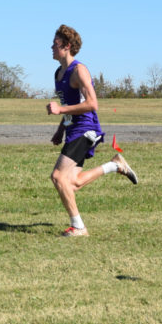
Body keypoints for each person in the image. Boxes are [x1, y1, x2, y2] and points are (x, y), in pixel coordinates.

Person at [46, 25, 138, 237]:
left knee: (59, 177)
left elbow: (92, 103)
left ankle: (79, 227)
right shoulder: (58, 73)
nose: (51, 47)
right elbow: (70, 103)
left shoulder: (79, 70)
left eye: (56, 44)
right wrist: (60, 128)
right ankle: (115, 165)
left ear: (67, 46)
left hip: (85, 129)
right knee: (73, 183)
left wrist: (59, 109)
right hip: (73, 130)